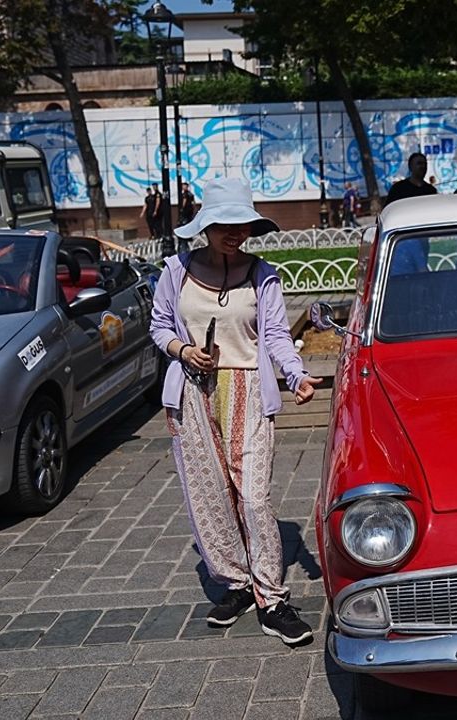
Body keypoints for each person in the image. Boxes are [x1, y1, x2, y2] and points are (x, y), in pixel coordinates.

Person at [149, 178, 322, 645]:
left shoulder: (262, 274)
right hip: (193, 392)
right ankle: (236, 583)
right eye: (225, 224)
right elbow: (159, 325)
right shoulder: (175, 272)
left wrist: (295, 375)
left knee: (254, 497)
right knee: (211, 496)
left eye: (242, 224)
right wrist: (183, 350)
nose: (235, 233)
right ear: (206, 226)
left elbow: (277, 336)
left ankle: (272, 596)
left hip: (247, 390)